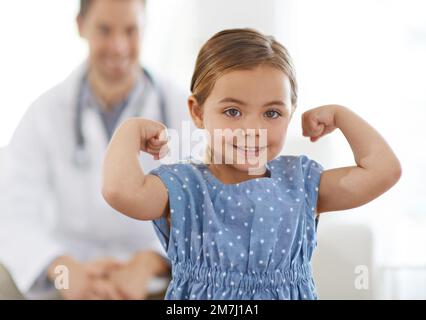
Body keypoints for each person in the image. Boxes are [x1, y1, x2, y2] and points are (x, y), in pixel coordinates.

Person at [101, 28, 402, 300]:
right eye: (233, 112)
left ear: (290, 113)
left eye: (272, 113)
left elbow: (383, 171)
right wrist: (130, 130)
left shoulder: (300, 182)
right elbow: (120, 191)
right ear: (197, 112)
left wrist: (341, 115)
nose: (252, 130)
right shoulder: (184, 187)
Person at [0, 0, 189, 300]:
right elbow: (13, 213)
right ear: (80, 26)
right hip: (69, 277)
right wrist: (61, 269)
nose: (118, 46)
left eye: (131, 30)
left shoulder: (181, 107)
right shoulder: (44, 113)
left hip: (159, 277)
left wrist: (150, 264)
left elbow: (208, 208)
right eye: (104, 30)